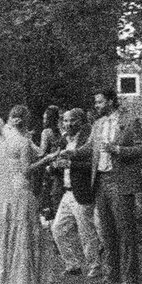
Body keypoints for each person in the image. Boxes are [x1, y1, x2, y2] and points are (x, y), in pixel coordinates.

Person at [90, 88, 142, 283]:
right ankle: (112, 273)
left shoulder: (130, 121)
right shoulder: (97, 124)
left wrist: (117, 149)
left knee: (125, 229)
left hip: (120, 180)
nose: (96, 106)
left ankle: (130, 275)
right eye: (96, 102)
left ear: (111, 101)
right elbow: (89, 148)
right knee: (106, 230)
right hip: (101, 180)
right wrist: (71, 154)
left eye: (99, 102)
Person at [48, 108, 101, 275]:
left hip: (82, 190)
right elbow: (57, 161)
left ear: (81, 122)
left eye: (71, 121)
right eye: (65, 121)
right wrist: (54, 166)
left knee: (86, 231)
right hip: (66, 190)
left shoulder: (87, 140)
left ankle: (95, 266)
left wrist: (71, 164)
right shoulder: (63, 140)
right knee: (58, 229)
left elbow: (93, 166)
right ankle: (73, 264)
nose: (67, 124)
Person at [1, 104, 48, 283]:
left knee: (9, 228)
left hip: (7, 186)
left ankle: (6, 270)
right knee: (24, 229)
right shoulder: (23, 142)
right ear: (25, 120)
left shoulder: (6, 137)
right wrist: (46, 160)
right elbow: (27, 169)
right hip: (21, 186)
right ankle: (21, 274)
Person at [37, 105, 63, 219]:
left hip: (50, 166)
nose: (44, 121)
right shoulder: (63, 131)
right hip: (62, 165)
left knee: (49, 194)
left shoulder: (46, 132)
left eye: (45, 118)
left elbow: (42, 152)